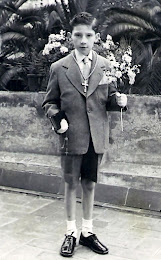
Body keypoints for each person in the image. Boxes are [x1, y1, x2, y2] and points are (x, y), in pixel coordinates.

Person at [42, 12, 127, 257]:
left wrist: (119, 101)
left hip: (95, 137)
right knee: (70, 184)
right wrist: (58, 119)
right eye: (78, 35)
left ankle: (87, 232)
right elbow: (50, 102)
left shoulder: (106, 66)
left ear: (96, 37)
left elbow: (109, 99)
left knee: (89, 184)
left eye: (88, 35)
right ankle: (70, 232)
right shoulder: (59, 68)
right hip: (71, 136)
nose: (83, 40)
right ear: (71, 37)